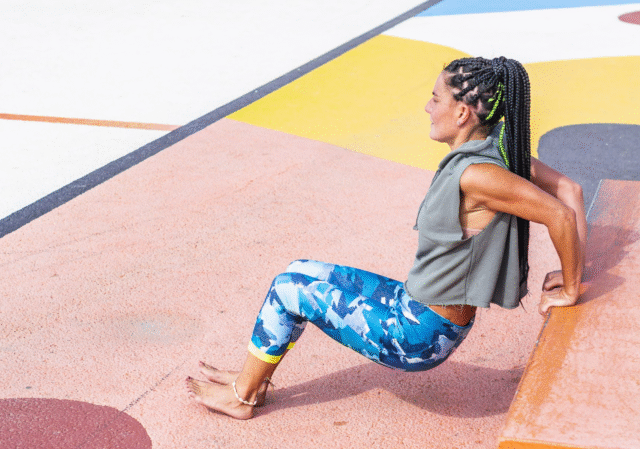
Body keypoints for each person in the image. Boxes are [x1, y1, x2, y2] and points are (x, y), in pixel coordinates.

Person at [185, 56, 587, 420]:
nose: (427, 107)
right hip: (412, 305)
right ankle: (252, 375)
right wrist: (576, 269)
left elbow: (560, 213)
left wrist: (570, 286)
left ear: (462, 111)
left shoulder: (478, 174)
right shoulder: (496, 150)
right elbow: (570, 189)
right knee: (299, 270)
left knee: (290, 290)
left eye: (435, 98)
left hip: (420, 335)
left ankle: (245, 395)